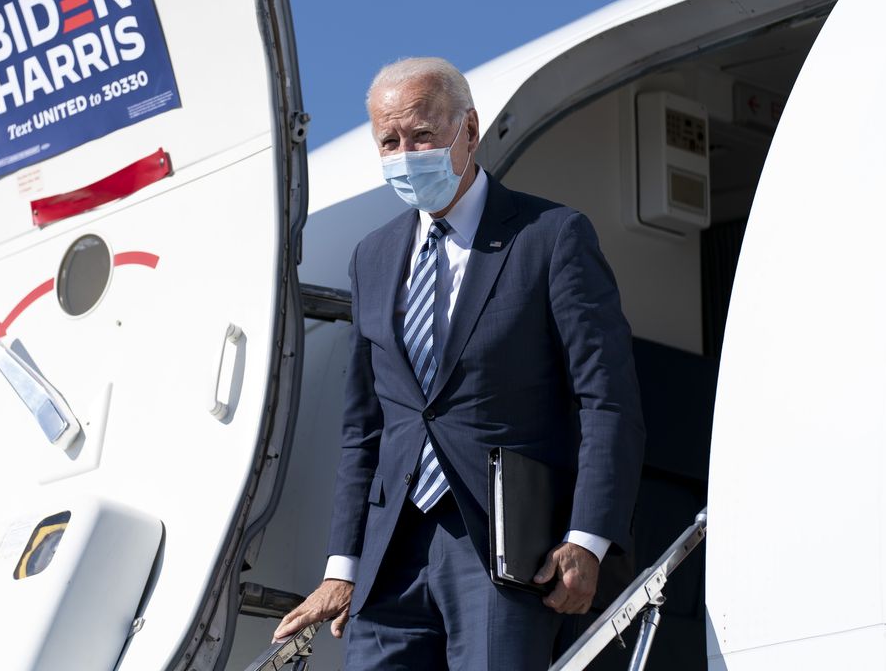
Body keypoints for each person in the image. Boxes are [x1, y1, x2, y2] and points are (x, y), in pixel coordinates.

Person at [274, 57, 644, 670]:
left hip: (503, 549)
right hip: (391, 557)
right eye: (389, 141)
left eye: (422, 135)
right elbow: (365, 428)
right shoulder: (373, 257)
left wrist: (587, 538)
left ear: (468, 129)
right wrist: (343, 565)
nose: (405, 154)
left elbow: (607, 401)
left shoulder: (550, 236)